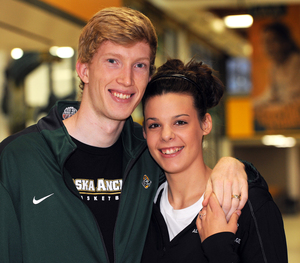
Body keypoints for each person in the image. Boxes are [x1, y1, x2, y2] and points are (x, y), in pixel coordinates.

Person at [0, 7, 256, 263]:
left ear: (149, 76)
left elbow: (197, 176)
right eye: (113, 61)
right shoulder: (20, 158)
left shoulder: (150, 152)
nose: (126, 79)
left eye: (139, 65)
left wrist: (232, 165)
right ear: (84, 70)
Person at [141, 58, 288, 262]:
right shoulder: (140, 205)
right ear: (144, 133)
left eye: (180, 122)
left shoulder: (249, 205)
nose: (166, 135)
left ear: (206, 124)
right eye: (154, 125)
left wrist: (219, 248)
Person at [254, 22, 300, 130]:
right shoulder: (274, 67)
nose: (268, 47)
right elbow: (270, 94)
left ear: (285, 42)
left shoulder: (295, 61)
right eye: (265, 43)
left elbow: (292, 96)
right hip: (285, 115)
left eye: (272, 41)